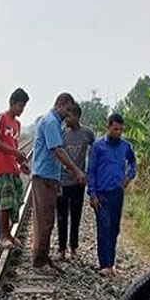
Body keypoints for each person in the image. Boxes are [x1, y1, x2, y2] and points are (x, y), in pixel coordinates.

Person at [30, 93, 87, 275]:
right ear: (60, 104)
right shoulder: (51, 122)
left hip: (50, 177)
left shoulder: (54, 122)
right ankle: (39, 262)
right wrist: (76, 171)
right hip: (43, 177)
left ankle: (44, 257)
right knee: (44, 220)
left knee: (47, 219)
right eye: (68, 109)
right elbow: (58, 151)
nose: (68, 114)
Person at [88, 113, 137, 277]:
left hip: (117, 193)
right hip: (101, 194)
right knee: (104, 228)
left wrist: (129, 176)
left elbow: (133, 162)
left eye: (120, 130)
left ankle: (111, 263)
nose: (118, 132)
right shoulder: (98, 146)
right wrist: (92, 194)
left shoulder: (125, 146)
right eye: (115, 129)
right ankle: (105, 265)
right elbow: (92, 171)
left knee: (114, 229)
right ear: (108, 127)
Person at [0, 88, 30, 249]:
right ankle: (3, 236)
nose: (21, 110)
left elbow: (14, 145)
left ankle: (8, 235)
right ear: (12, 103)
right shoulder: (0, 117)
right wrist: (16, 152)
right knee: (5, 203)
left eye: (23, 107)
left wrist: (22, 163)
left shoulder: (17, 124)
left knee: (13, 202)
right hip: (1, 166)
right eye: (20, 106)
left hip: (12, 167)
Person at [57, 103, 96, 261]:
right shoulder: (61, 133)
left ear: (78, 117)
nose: (67, 119)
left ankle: (73, 247)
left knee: (76, 216)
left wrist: (89, 173)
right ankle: (61, 249)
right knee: (61, 217)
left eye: (70, 116)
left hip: (78, 183)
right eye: (66, 115)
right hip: (62, 181)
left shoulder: (87, 133)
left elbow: (96, 150)